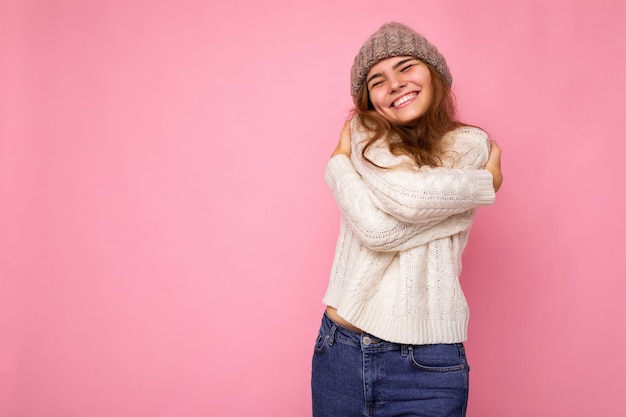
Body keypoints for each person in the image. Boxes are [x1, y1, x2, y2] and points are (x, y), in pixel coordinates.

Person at [311, 22, 503, 417]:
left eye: (407, 66)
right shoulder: (364, 131)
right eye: (377, 80)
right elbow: (381, 228)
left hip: (429, 366)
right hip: (341, 351)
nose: (395, 83)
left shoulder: (469, 144)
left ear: (434, 74)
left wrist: (340, 165)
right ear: (369, 100)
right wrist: (482, 187)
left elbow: (402, 207)